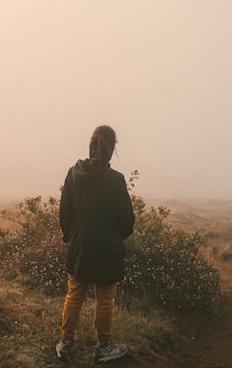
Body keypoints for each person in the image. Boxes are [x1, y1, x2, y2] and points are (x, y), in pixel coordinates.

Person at [55, 125, 135, 364]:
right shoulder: (116, 180)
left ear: (91, 145)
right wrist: (114, 237)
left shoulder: (73, 173)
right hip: (107, 249)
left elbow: (64, 213)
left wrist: (73, 237)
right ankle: (103, 347)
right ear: (111, 150)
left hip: (79, 246)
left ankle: (65, 344)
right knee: (105, 299)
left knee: (74, 294)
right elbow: (127, 221)